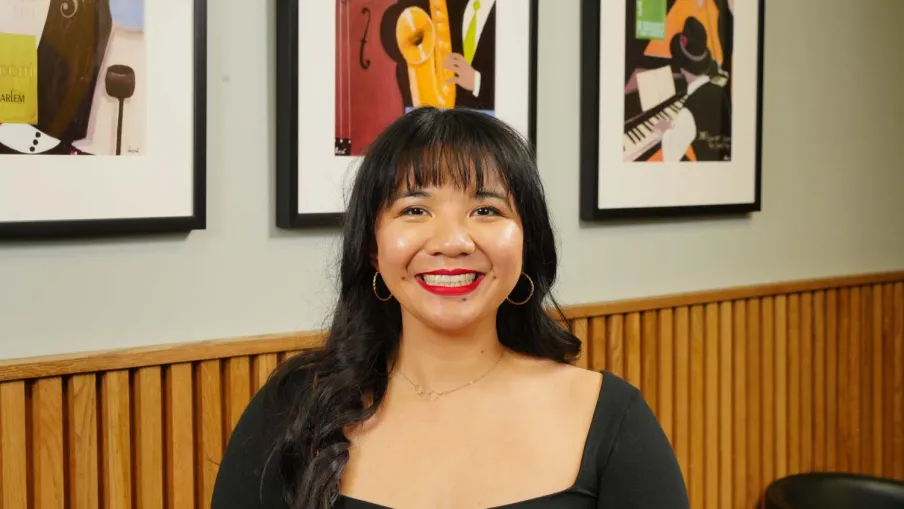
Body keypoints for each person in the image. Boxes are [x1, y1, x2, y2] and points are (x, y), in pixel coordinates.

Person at [210, 107, 689, 508]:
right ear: (373, 248)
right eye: (414, 210)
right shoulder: (294, 407)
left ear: (527, 242)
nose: (452, 241)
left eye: (487, 210)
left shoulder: (611, 417)